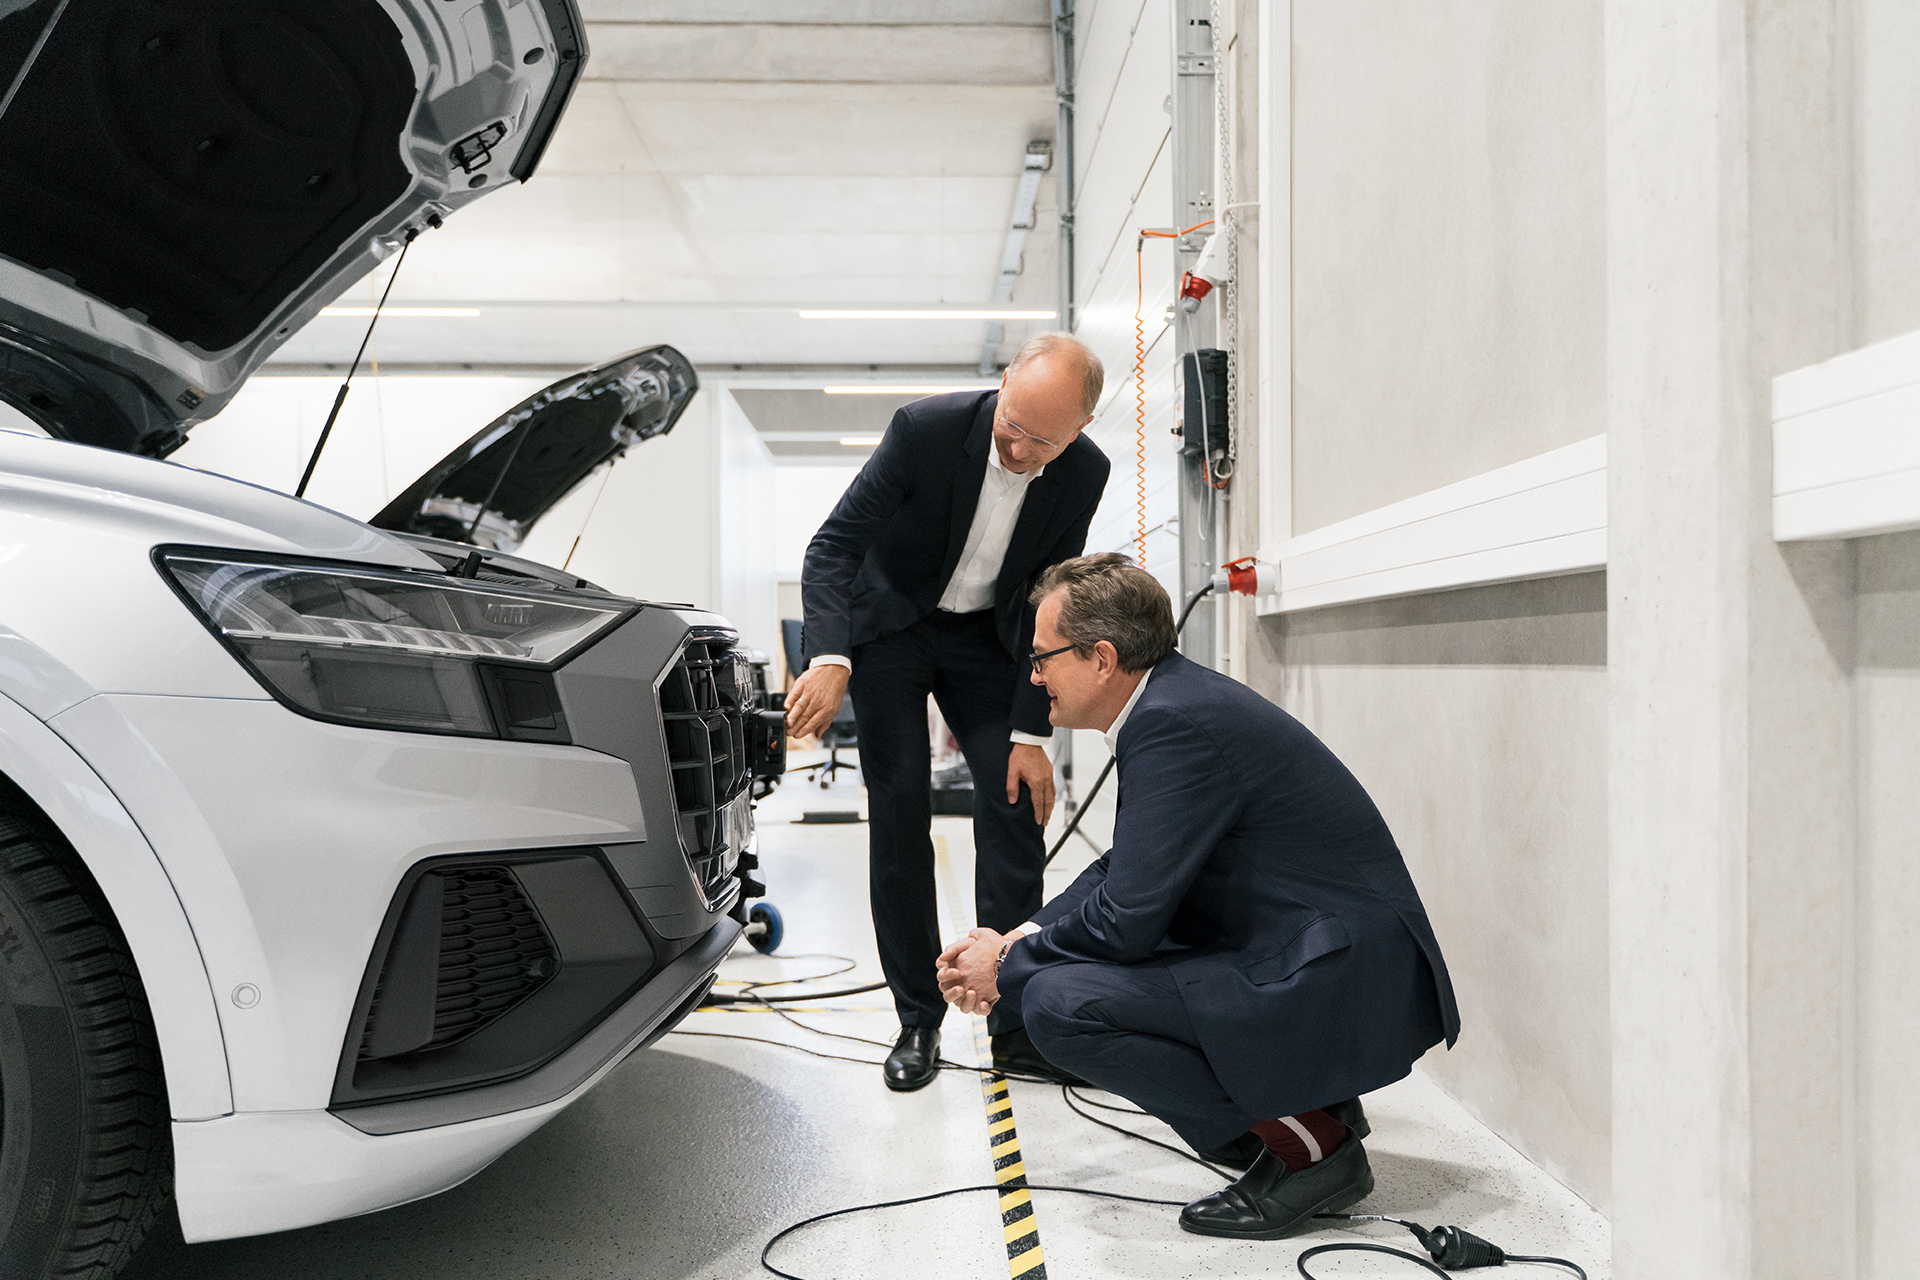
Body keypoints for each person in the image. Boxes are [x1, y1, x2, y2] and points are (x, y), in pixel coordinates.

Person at [935, 553, 1460, 1239]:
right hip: (1316, 949)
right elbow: (1128, 870)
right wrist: (1017, 938)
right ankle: (1308, 1108)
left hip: (1333, 972)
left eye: (1043, 659)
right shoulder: (1172, 702)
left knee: (1061, 1007)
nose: (1035, 678)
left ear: (1100, 658)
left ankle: (1314, 1152)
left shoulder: (1170, 723)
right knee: (1061, 979)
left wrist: (1006, 971)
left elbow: (1125, 921)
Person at [785, 333, 1112, 1091]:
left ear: (1078, 435)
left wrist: (1033, 732)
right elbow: (833, 547)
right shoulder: (924, 430)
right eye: (1013, 428)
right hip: (892, 630)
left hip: (989, 642)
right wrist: (830, 658)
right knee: (899, 807)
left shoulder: (1083, 474)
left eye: (1045, 441)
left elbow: (1049, 596)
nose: (1022, 450)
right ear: (1001, 386)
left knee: (1014, 802)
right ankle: (916, 1018)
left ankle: (1015, 1017)